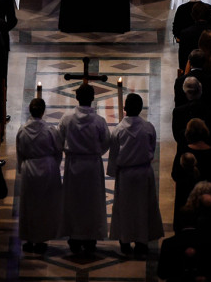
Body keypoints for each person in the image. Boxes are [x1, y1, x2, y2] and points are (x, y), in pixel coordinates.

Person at [107, 93, 164, 257]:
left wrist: (114, 171)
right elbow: (152, 148)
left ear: (125, 109)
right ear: (140, 109)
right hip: (143, 172)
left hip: (126, 175)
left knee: (125, 209)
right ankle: (142, 242)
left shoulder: (118, 130)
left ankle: (125, 241)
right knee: (143, 207)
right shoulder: (148, 127)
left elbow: (114, 154)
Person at [59, 83, 110, 254]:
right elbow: (106, 142)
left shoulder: (67, 118)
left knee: (74, 202)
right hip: (92, 165)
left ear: (77, 98)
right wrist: (95, 153)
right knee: (92, 202)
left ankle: (74, 237)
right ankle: (90, 238)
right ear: (93, 98)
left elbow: (60, 139)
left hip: (73, 164)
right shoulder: (99, 121)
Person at [16, 98, 62, 254]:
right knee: (44, 205)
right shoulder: (50, 130)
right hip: (47, 167)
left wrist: (23, 167)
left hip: (29, 168)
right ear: (43, 111)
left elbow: (20, 151)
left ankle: (29, 239)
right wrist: (53, 165)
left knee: (29, 205)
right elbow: (58, 151)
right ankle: (42, 239)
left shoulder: (22, 130)